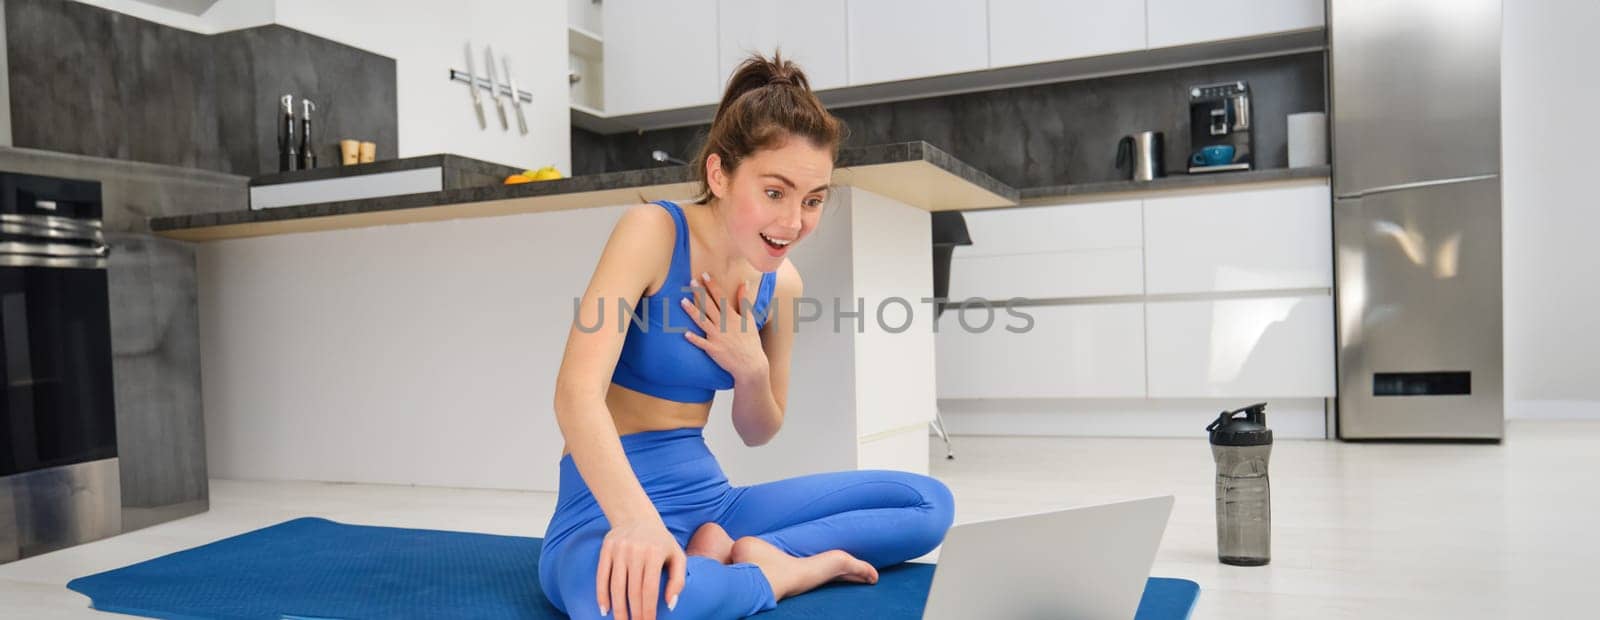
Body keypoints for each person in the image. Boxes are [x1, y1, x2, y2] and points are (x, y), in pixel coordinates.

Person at [540, 52, 955, 620]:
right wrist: (636, 522)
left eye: (812, 200)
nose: (793, 223)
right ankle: (783, 571)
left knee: (928, 504)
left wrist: (750, 368)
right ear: (719, 174)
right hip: (603, 504)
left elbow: (759, 430)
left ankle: (726, 559)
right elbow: (575, 395)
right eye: (775, 192)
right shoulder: (653, 233)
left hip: (712, 503)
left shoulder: (781, 283)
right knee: (621, 608)